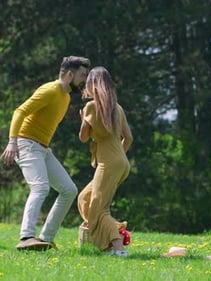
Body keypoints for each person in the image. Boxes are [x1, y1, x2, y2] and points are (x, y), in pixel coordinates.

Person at [1, 56, 91, 250]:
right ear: (69, 74)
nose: (85, 80)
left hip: (42, 148)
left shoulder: (65, 97)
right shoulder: (50, 90)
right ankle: (26, 237)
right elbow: (19, 111)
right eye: (82, 75)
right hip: (26, 144)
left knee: (69, 190)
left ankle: (45, 239)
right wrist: (12, 142)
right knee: (40, 187)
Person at [77, 66, 133, 257]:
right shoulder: (118, 108)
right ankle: (113, 229)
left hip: (108, 164)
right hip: (121, 163)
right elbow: (129, 138)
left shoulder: (91, 107)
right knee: (85, 198)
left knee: (99, 209)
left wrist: (83, 120)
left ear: (93, 84)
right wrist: (119, 157)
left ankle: (118, 248)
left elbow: (83, 138)